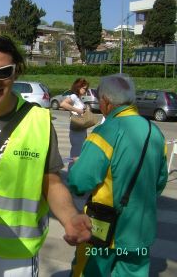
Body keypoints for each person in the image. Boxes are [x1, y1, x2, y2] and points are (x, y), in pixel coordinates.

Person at [0, 34, 92, 277]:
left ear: (16, 72)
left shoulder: (40, 121)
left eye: (3, 72)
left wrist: (70, 217)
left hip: (17, 251)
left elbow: (51, 181)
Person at [68, 74, 168, 277]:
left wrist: (81, 164)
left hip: (103, 230)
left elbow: (79, 182)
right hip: (140, 231)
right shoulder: (155, 133)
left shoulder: (104, 132)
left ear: (105, 101)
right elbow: (159, 183)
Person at [60, 78, 90, 166]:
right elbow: (63, 104)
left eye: (86, 89)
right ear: (78, 87)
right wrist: (78, 110)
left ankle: (74, 174)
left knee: (78, 154)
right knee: (76, 155)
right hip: (76, 129)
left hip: (81, 129)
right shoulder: (73, 96)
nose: (86, 90)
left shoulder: (79, 98)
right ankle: (71, 175)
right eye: (84, 88)